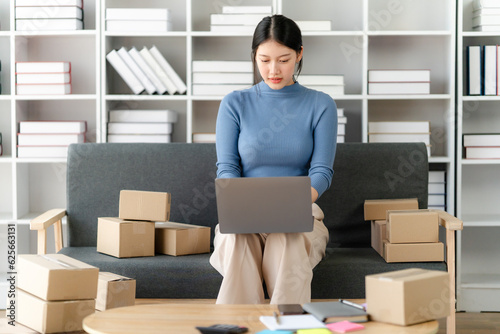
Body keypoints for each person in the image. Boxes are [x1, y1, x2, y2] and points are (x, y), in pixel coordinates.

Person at [209, 14, 338, 305]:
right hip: (245, 217)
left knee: (288, 239)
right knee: (238, 241)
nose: (273, 70)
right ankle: (237, 326)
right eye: (264, 60)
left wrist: (294, 204)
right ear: (254, 56)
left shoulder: (320, 104)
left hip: (302, 215)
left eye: (283, 59)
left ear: (299, 54)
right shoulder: (235, 103)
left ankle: (285, 326)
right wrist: (239, 205)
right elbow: (227, 167)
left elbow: (322, 171)